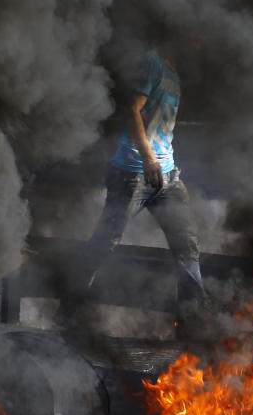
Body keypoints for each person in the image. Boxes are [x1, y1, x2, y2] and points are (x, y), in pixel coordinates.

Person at [57, 48, 204, 333]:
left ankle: (194, 319)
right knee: (105, 241)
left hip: (168, 176)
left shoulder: (175, 74)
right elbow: (131, 109)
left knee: (186, 245)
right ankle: (68, 309)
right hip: (133, 173)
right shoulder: (153, 62)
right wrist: (149, 159)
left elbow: (161, 127)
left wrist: (162, 163)